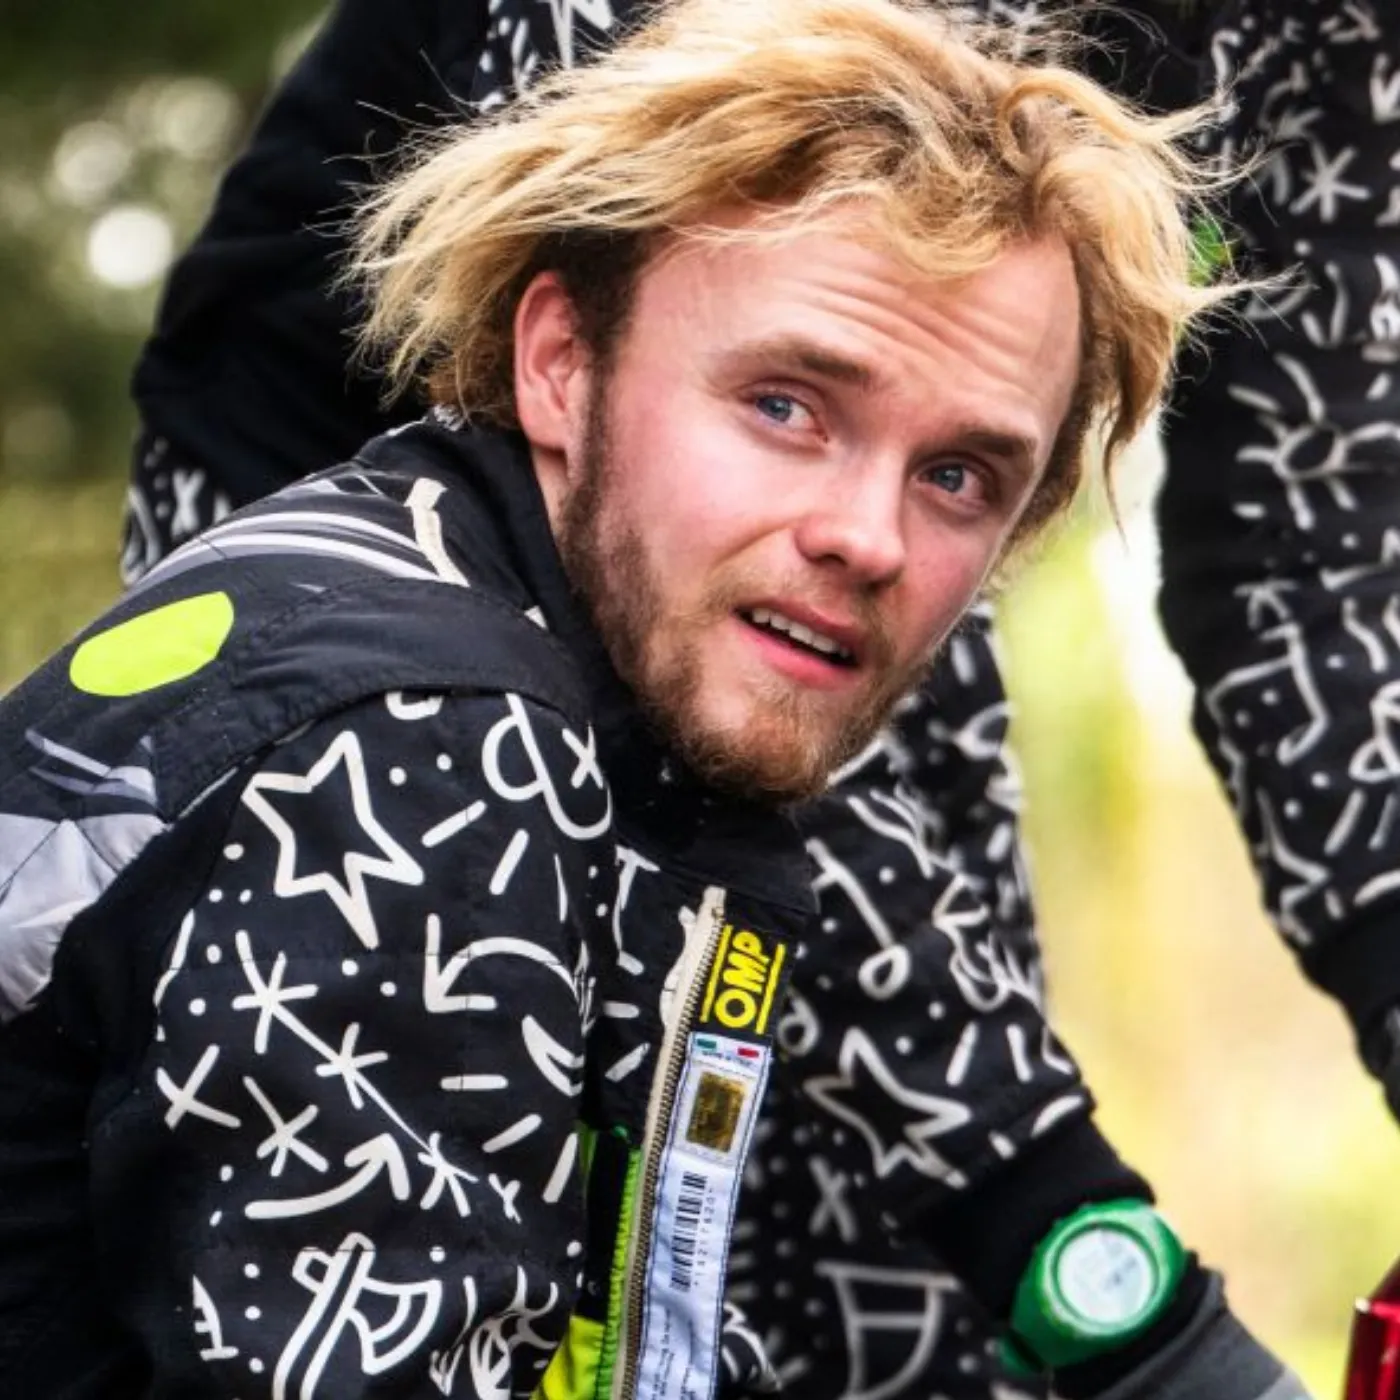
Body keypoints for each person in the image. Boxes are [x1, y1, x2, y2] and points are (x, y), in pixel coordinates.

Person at [0, 0, 1271, 1395]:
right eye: (787, 405)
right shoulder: (424, 748)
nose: (870, 538)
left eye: (959, 476)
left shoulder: (531, 658)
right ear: (560, 359)